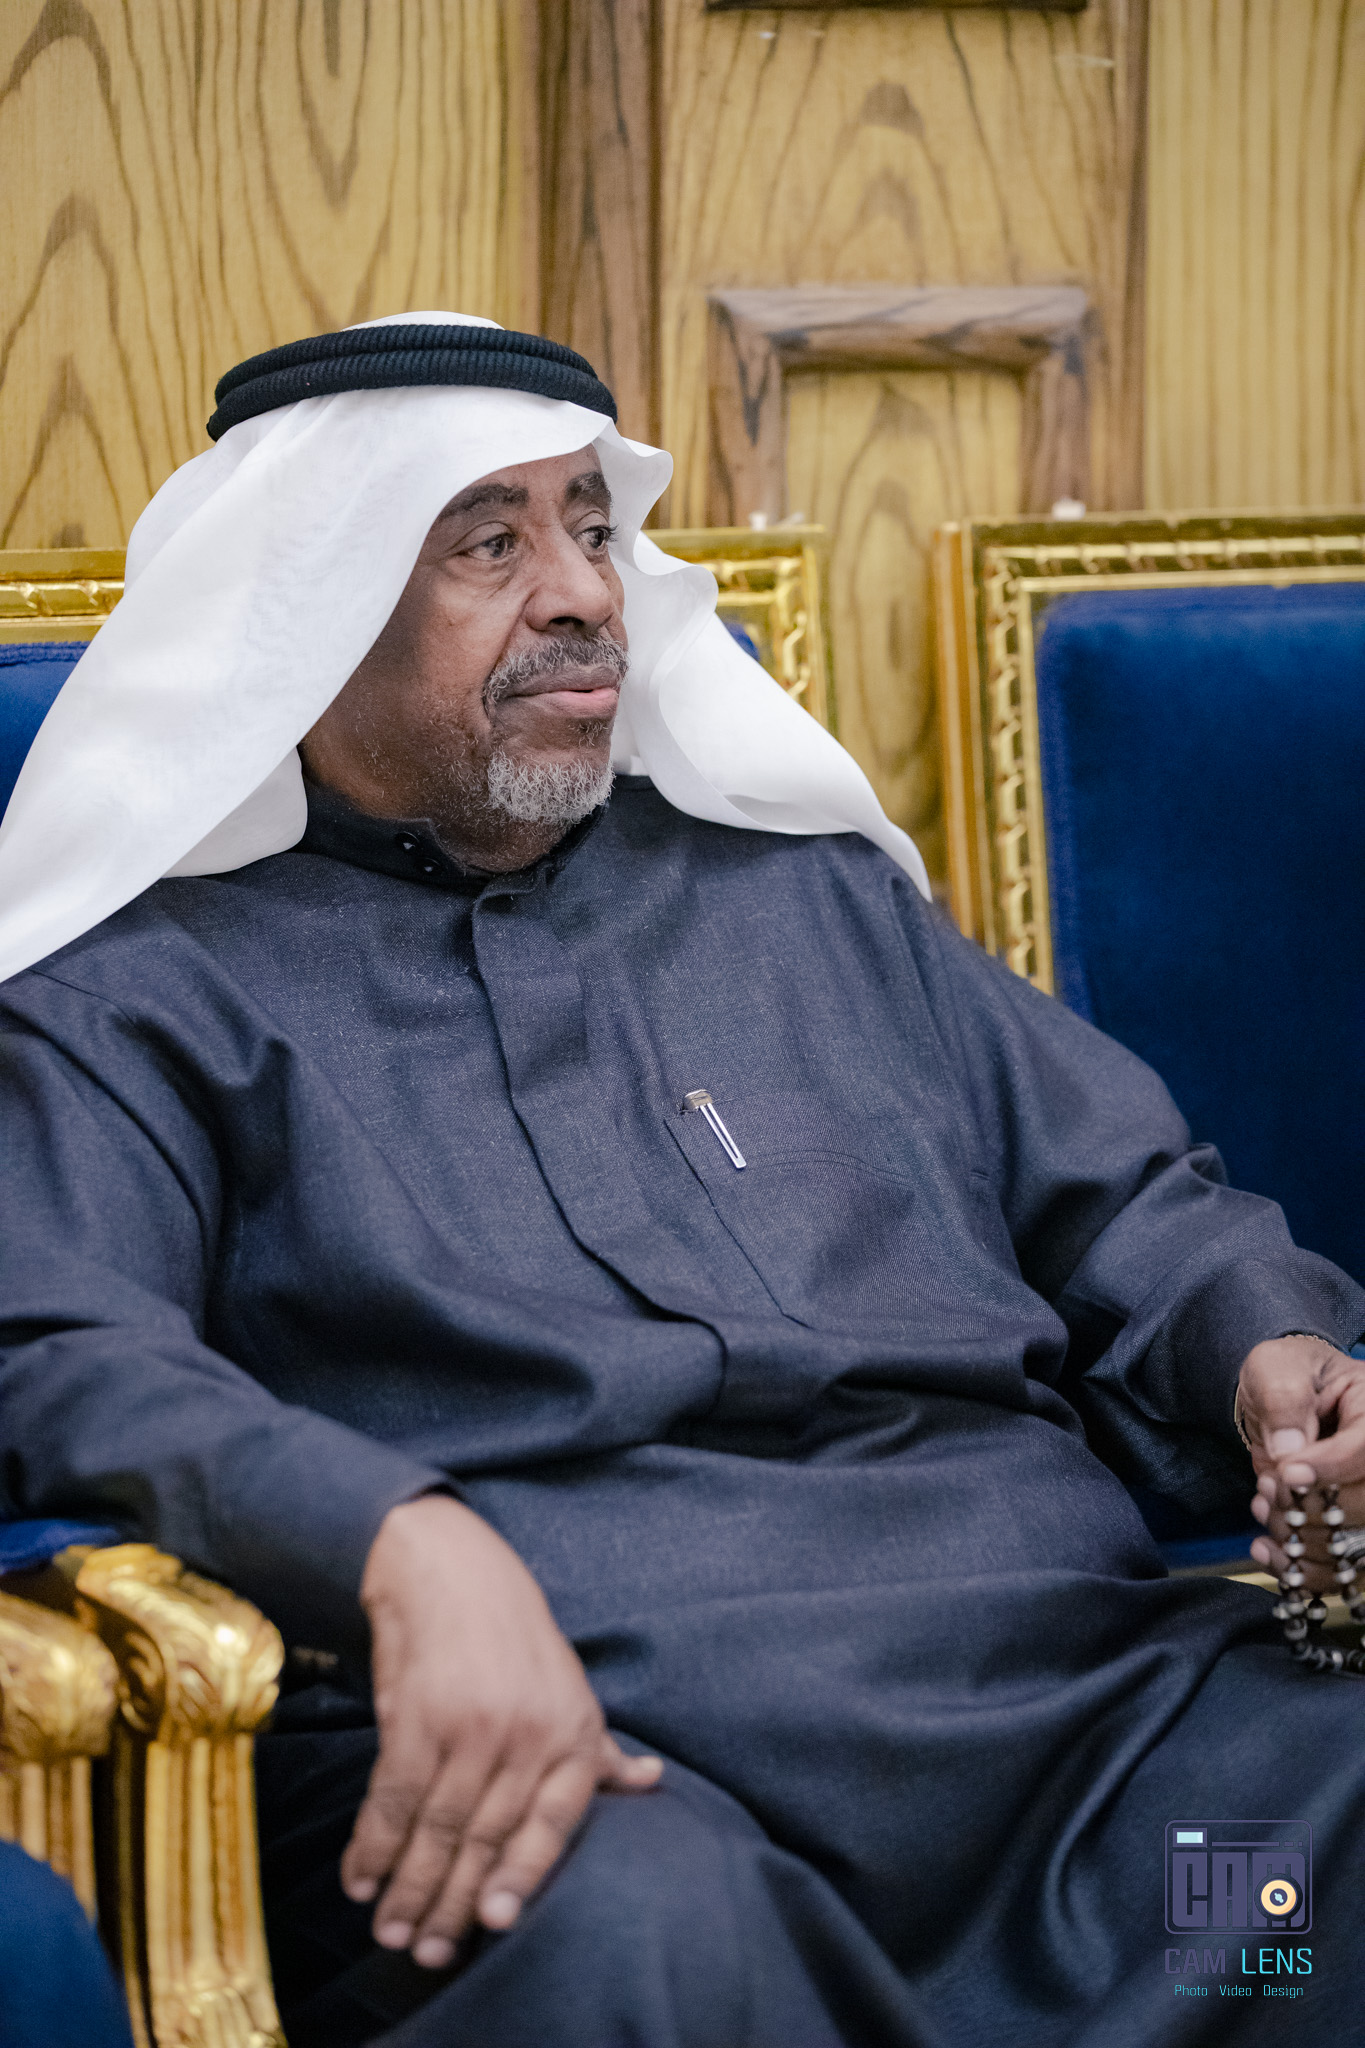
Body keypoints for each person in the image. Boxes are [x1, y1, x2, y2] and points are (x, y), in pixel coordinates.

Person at [1, 313, 1363, 2048]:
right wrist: (395, 1544)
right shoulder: (137, 988)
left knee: (1311, 1851)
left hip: (1077, 1748)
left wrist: (1274, 1357)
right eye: (488, 543)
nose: (581, 590)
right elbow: (57, 1347)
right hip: (593, 1749)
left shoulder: (801, 892)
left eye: (591, 526)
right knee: (647, 1941)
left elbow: (1123, 1205)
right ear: (310, 607)